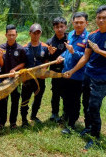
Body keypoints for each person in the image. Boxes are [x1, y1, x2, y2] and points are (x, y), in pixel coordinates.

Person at [63, 5, 106, 149]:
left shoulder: (90, 37)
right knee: (87, 104)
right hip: (88, 74)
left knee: (93, 106)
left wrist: (99, 51)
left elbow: (91, 53)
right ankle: (88, 128)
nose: (101, 20)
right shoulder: (93, 36)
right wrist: (72, 70)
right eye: (99, 17)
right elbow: (86, 57)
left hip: (102, 78)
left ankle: (94, 136)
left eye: (104, 18)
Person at [56, 12, 89, 134]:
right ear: (73, 23)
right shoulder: (70, 34)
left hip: (78, 75)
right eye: (76, 22)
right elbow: (67, 51)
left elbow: (85, 57)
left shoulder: (88, 38)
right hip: (66, 72)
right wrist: (61, 56)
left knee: (74, 100)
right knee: (65, 97)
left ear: (86, 23)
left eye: (81, 22)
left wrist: (73, 52)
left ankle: (71, 124)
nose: (78, 25)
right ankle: (66, 115)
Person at [0, 24, 26, 129]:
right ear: (6, 35)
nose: (11, 37)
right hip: (3, 79)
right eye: (9, 35)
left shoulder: (20, 49)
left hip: (16, 80)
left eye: (13, 35)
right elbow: (0, 64)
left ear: (16, 35)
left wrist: (15, 69)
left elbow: (23, 63)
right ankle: (1, 122)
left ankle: (13, 122)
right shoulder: (1, 48)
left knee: (15, 101)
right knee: (2, 101)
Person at [20, 23, 49, 126]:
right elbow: (22, 64)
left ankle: (34, 116)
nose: (36, 35)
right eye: (34, 33)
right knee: (25, 99)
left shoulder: (45, 47)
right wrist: (23, 76)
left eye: (38, 33)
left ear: (40, 33)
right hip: (27, 79)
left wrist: (44, 70)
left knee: (38, 98)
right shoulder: (24, 48)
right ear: (30, 33)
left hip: (40, 78)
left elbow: (46, 60)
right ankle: (24, 119)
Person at [46, 17, 68, 122]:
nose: (59, 29)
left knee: (66, 94)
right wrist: (50, 54)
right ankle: (54, 113)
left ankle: (65, 114)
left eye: (61, 26)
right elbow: (48, 59)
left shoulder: (69, 39)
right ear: (53, 28)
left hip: (67, 71)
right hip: (55, 72)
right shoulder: (50, 41)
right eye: (56, 27)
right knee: (55, 93)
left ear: (65, 27)